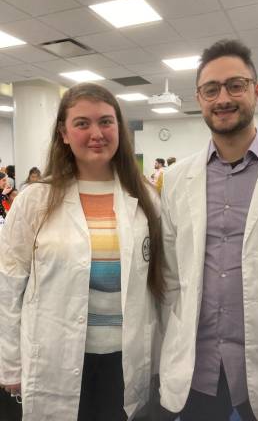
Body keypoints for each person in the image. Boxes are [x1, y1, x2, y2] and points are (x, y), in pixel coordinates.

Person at [158, 39, 258, 421]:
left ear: (257, 90)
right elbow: (170, 282)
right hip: (196, 371)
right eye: (210, 89)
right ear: (199, 98)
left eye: (236, 85)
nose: (223, 98)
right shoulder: (176, 180)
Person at [0, 82, 163, 421]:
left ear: (119, 127)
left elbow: (160, 282)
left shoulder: (146, 196)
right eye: (82, 123)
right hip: (55, 355)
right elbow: (7, 284)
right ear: (63, 133)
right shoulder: (35, 200)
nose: (96, 133)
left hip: (127, 355)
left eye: (106, 121)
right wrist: (10, 362)